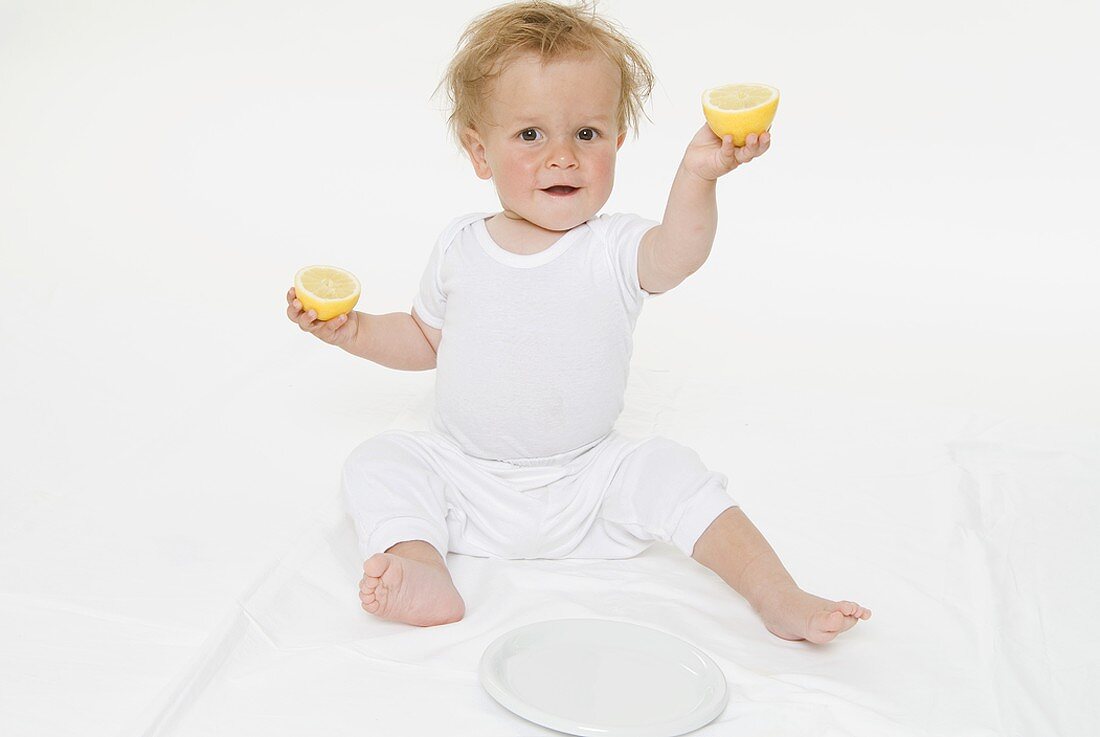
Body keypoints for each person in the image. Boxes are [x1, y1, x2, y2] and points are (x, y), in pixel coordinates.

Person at [285, 0, 871, 643]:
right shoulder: (460, 247)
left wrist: (698, 176)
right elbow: (426, 340)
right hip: (465, 475)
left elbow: (678, 253)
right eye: (530, 135)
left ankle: (778, 595)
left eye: (586, 134)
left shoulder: (615, 247)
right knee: (379, 461)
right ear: (480, 152)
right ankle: (421, 564)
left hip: (590, 478)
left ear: (617, 143)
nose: (562, 156)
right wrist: (355, 330)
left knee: (677, 474)